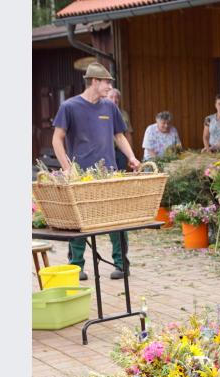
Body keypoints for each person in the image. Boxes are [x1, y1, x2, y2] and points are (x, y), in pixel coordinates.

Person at [51, 62, 140, 280]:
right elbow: (57, 139)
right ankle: (76, 267)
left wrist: (132, 157)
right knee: (78, 222)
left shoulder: (110, 107)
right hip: (80, 175)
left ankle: (121, 264)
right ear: (94, 81)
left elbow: (119, 136)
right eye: (107, 82)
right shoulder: (69, 107)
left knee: (116, 219)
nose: (110, 86)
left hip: (108, 173)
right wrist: (67, 168)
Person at [106, 88, 133, 171]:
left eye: (116, 97)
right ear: (105, 98)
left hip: (121, 151)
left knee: (122, 173)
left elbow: (128, 134)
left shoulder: (124, 114)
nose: (114, 100)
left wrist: (130, 156)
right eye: (111, 97)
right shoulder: (101, 113)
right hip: (107, 151)